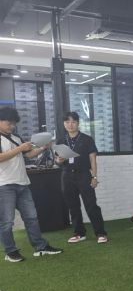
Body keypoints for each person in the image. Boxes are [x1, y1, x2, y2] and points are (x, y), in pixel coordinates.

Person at [0, 107, 63, 262]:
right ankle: (10, 252)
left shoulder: (16, 137)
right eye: (9, 123)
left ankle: (40, 247)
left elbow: (28, 155)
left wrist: (43, 147)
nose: (12, 126)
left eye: (14, 123)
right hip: (4, 185)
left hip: (23, 183)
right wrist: (20, 148)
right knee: (7, 222)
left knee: (32, 218)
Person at [55, 112, 108, 244]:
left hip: (84, 175)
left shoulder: (87, 139)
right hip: (67, 175)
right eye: (67, 122)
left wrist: (94, 177)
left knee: (91, 205)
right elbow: (57, 160)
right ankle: (79, 233)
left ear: (78, 123)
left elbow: (93, 159)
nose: (70, 125)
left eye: (73, 122)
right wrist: (59, 160)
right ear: (64, 124)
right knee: (73, 206)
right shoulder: (61, 141)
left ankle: (100, 233)